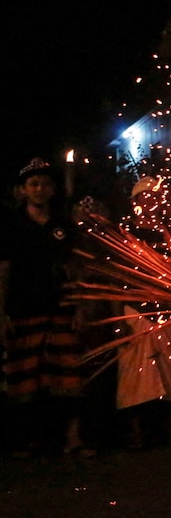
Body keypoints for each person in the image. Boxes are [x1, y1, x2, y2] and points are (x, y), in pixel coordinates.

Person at [0, 158, 93, 457]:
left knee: (68, 377)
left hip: (61, 308)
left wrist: (79, 309)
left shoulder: (63, 226)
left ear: (53, 189)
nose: (40, 189)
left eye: (45, 184)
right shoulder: (12, 225)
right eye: (33, 184)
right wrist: (1, 313)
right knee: (25, 380)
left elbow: (75, 268)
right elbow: (3, 270)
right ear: (23, 190)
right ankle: (28, 440)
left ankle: (73, 438)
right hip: (24, 308)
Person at [114, 176, 171, 448]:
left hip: (167, 308)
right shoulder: (125, 233)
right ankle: (136, 433)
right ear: (135, 202)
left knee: (170, 374)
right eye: (145, 197)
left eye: (155, 197)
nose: (150, 202)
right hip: (136, 308)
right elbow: (119, 273)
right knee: (135, 374)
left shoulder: (170, 232)